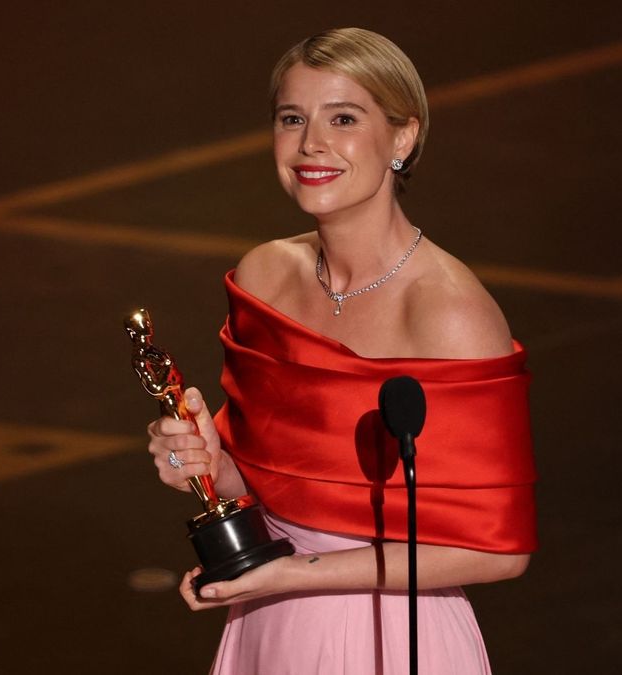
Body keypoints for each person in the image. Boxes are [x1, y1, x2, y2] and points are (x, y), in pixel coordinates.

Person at [146, 27, 536, 674]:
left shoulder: (449, 311)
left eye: (344, 118)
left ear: (403, 138)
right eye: (292, 119)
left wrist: (296, 574)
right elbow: (260, 478)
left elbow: (500, 550)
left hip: (390, 632)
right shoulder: (266, 276)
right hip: (270, 617)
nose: (310, 145)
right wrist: (206, 458)